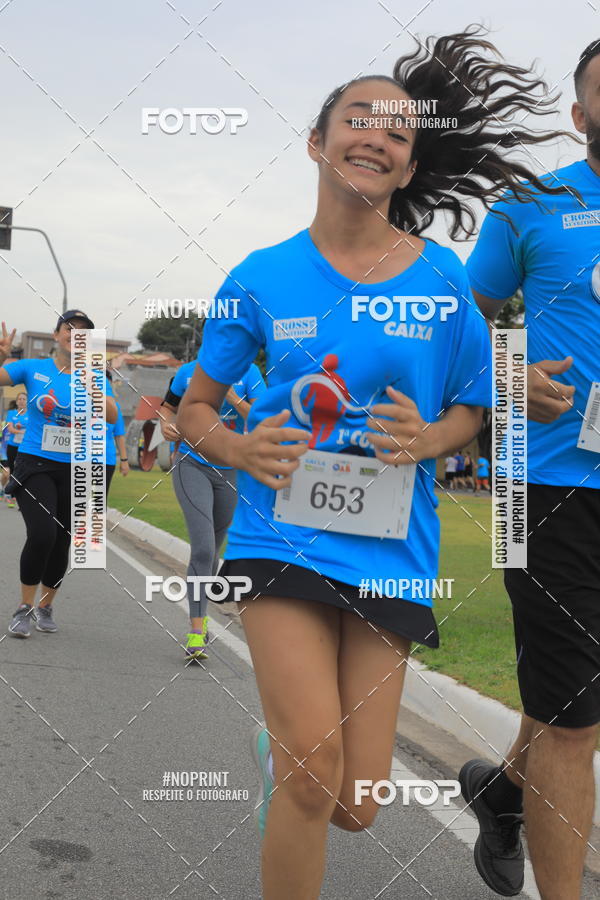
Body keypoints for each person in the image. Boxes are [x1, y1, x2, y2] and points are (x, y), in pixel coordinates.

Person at [176, 27, 570, 899]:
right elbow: (194, 407)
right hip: (283, 535)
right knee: (317, 775)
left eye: (398, 133)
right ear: (318, 142)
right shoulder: (261, 276)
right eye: (359, 119)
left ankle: (285, 762)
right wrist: (237, 445)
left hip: (395, 547)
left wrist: (433, 438)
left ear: (407, 166)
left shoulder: (441, 283)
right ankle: (296, 761)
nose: (377, 137)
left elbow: (475, 397)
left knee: (356, 801)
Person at [458, 39, 600, 900]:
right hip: (542, 489)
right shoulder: (531, 205)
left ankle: (506, 790)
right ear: (580, 117)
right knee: (576, 723)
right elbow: (459, 323)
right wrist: (508, 375)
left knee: (572, 700)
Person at [0, 312, 117, 638]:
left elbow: (112, 415)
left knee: (63, 539)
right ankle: (24, 608)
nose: (75, 335)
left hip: (81, 466)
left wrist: (91, 385)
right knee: (42, 534)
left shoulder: (95, 374)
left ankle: (46, 606)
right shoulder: (32, 368)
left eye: (83, 332)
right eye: (70, 329)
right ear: (56, 335)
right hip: (36, 461)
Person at [160, 360, 265, 659]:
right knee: (204, 549)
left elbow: (260, 419)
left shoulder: (250, 373)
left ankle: (201, 615)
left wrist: (232, 398)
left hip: (232, 470)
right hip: (191, 463)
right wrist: (166, 424)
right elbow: (168, 408)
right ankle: (196, 632)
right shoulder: (188, 372)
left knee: (214, 551)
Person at [4, 392, 29, 508]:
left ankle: (22, 497)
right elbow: (10, 429)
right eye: (19, 399)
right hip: (13, 446)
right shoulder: (11, 413)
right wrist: (22, 432)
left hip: (25, 447)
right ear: (17, 401)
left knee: (24, 471)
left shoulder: (31, 414)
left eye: (24, 399)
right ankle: (12, 496)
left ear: (27, 401)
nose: (21, 401)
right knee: (13, 470)